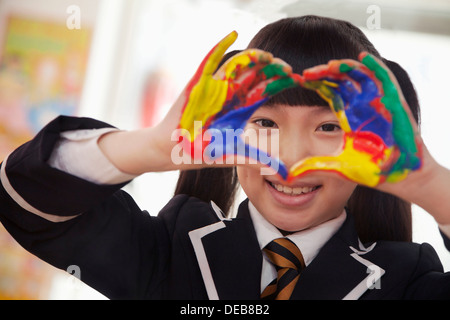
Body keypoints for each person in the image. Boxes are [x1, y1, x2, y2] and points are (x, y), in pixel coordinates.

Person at [1, 15, 450, 300]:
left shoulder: (406, 278)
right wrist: (155, 147)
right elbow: (25, 198)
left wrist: (429, 186)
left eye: (328, 127)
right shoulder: (173, 247)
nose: (290, 161)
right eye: (266, 124)